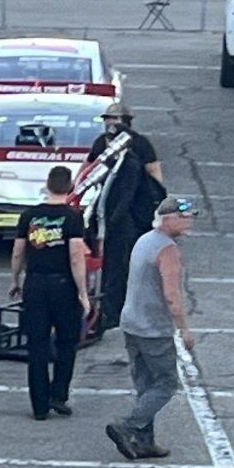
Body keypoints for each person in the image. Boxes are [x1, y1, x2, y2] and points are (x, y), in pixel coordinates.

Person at [107, 196, 197, 462]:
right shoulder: (168, 249)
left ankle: (145, 442)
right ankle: (128, 426)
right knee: (167, 384)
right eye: (184, 217)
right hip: (153, 328)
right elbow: (172, 296)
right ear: (168, 218)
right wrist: (184, 329)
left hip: (132, 322)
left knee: (146, 385)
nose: (189, 221)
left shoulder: (144, 240)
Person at [9, 165, 91, 421]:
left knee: (38, 346)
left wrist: (16, 279)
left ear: (47, 184)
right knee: (67, 342)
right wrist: (83, 292)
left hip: (35, 284)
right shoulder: (73, 217)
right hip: (63, 285)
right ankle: (59, 393)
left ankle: (39, 406)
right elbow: (76, 257)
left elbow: (18, 252)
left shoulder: (29, 215)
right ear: (69, 187)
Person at [88, 101, 165, 331]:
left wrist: (157, 210)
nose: (110, 124)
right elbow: (89, 170)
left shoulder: (139, 145)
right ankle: (112, 308)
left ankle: (117, 310)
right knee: (112, 264)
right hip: (106, 211)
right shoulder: (101, 144)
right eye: (108, 120)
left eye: (114, 120)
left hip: (130, 215)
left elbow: (154, 175)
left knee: (122, 264)